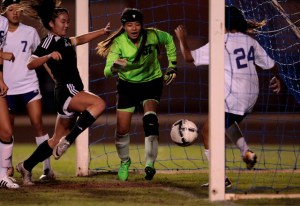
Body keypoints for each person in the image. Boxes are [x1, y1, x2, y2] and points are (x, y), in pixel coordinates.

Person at [175, 5, 281, 187]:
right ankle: (246, 152)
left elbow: (189, 57)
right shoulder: (250, 41)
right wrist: (276, 78)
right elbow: (271, 64)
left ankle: (220, 179)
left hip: (234, 95)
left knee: (208, 132)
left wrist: (182, 39)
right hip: (251, 97)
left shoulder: (221, 41)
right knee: (228, 123)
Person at [15, 0, 110, 185]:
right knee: (99, 104)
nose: (67, 24)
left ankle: (26, 165)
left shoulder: (65, 41)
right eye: (63, 21)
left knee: (54, 140)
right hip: (68, 91)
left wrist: (101, 32)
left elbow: (80, 39)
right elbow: (30, 63)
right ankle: (69, 140)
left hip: (67, 94)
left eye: (68, 21)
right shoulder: (49, 41)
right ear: (52, 23)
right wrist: (48, 56)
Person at [97, 8, 177, 181]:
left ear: (142, 25)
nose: (134, 28)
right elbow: (106, 71)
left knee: (150, 120)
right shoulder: (118, 42)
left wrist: (172, 65)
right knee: (122, 129)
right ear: (124, 26)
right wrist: (115, 67)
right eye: (129, 25)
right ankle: (125, 161)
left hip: (151, 82)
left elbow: (169, 39)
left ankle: (150, 163)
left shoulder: (153, 35)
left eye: (137, 24)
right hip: (128, 85)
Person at [1, 0, 54, 181]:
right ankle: (6, 169)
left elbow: (39, 57)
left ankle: (47, 169)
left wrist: (53, 76)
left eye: (18, 10)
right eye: (11, 10)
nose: (15, 13)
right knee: (7, 130)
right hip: (6, 88)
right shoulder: (1, 33)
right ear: (4, 12)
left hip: (28, 85)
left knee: (38, 124)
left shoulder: (30, 32)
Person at [0, 12, 19, 188]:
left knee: (6, 131)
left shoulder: (3, 22)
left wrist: (0, 79)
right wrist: (2, 54)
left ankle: (2, 175)